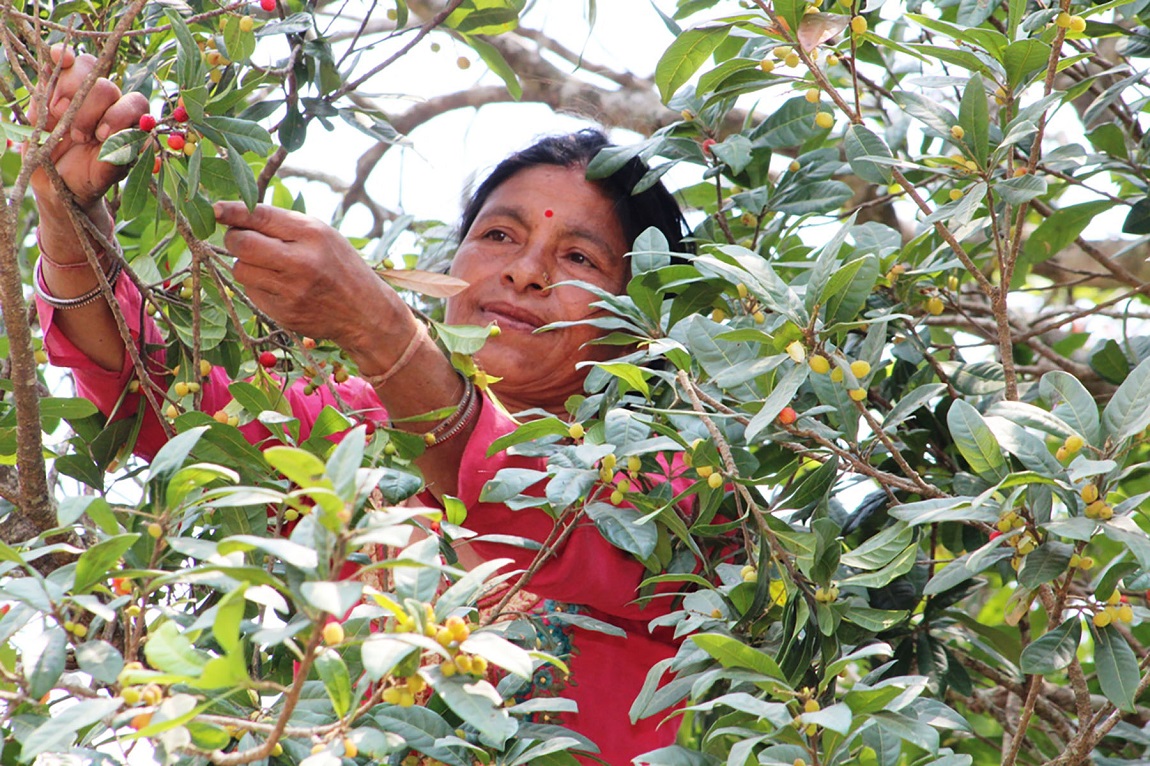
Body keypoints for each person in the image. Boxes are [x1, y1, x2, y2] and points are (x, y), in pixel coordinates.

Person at [31, 46, 694, 765]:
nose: (524, 272)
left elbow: (542, 508)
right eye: (499, 235)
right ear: (448, 267)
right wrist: (68, 215)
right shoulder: (344, 426)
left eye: (580, 259)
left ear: (642, 323)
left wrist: (379, 329)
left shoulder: (678, 484)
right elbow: (152, 393)